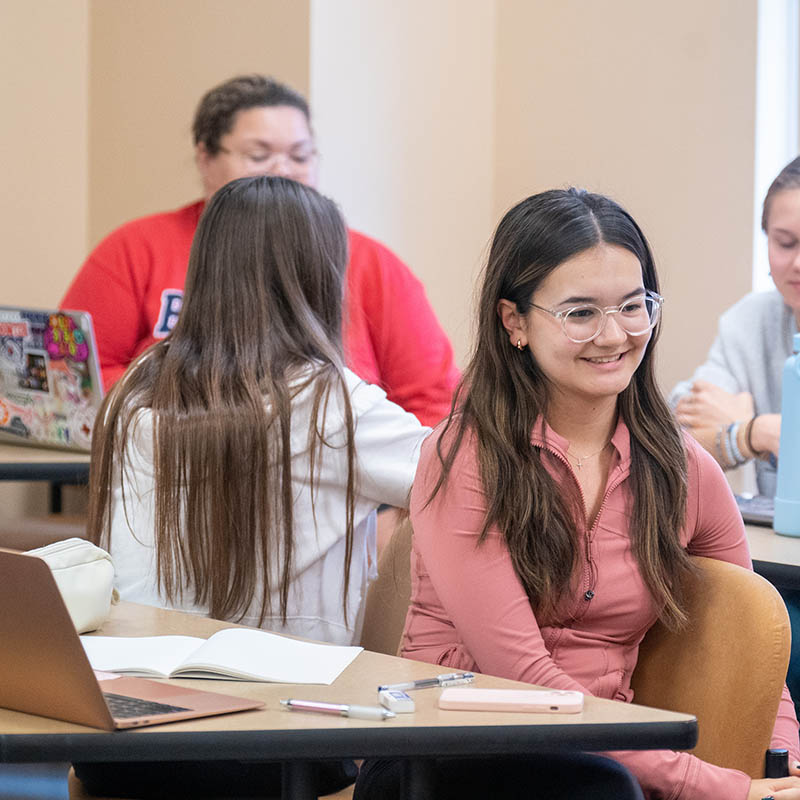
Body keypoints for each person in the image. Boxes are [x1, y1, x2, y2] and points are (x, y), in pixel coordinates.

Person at [357, 189, 800, 800]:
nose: (613, 335)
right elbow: (525, 681)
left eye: (631, 306)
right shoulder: (463, 458)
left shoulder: (684, 469)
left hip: (612, 761)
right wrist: (708, 784)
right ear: (514, 321)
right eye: (580, 313)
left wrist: (780, 767)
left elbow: (761, 651)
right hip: (444, 751)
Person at [77, 174, 430, 798]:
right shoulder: (330, 402)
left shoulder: (134, 390)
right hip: (276, 743)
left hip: (121, 741)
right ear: (320, 278)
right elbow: (466, 479)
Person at [60, 74, 458, 428]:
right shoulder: (135, 249)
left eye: (300, 156)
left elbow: (433, 399)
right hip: (174, 469)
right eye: (259, 155)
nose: (283, 170)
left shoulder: (371, 264)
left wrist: (391, 498)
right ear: (205, 158)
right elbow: (75, 372)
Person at [670, 156, 800, 496]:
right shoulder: (752, 319)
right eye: (785, 243)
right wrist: (755, 433)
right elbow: (674, 437)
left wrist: (763, 431)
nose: (798, 263)